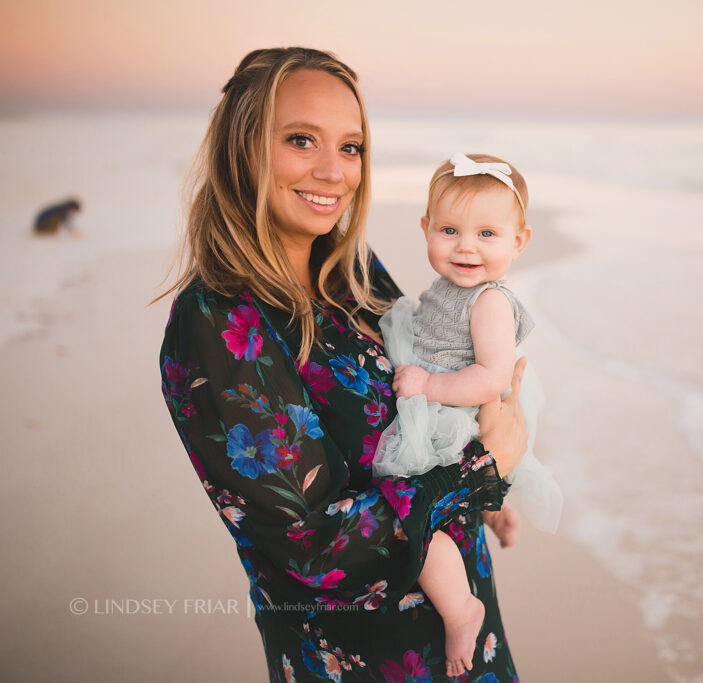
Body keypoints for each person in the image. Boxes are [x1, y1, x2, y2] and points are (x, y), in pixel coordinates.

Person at [157, 47, 529, 682]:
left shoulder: (352, 275)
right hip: (364, 659)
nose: (333, 171)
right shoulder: (220, 323)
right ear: (241, 148)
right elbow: (310, 546)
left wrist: (485, 486)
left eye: (351, 148)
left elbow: (423, 408)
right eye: (302, 140)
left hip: (466, 638)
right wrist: (483, 469)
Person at [372, 153, 562, 676]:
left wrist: (429, 384)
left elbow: (493, 376)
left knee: (412, 508)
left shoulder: (491, 302)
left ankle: (461, 610)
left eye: (487, 234)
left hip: (456, 411)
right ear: (425, 229)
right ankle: (498, 510)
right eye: (450, 229)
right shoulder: (452, 290)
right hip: (446, 401)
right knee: (450, 496)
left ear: (518, 242)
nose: (466, 246)